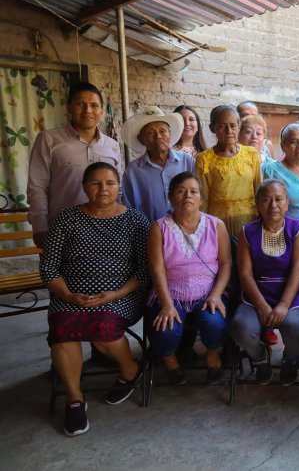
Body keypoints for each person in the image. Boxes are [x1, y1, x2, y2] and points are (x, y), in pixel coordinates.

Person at [40, 162, 149, 436]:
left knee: (103, 327)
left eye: (110, 183)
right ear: (84, 187)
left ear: (118, 187)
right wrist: (67, 294)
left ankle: (130, 370)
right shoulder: (66, 219)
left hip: (120, 294)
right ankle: (75, 399)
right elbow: (49, 267)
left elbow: (144, 270)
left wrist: (115, 294)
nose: (103, 189)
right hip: (70, 293)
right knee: (64, 329)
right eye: (96, 183)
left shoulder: (136, 220)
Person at [146, 172, 231, 386]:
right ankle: (170, 361)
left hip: (208, 292)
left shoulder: (216, 225)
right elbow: (157, 269)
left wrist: (216, 295)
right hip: (171, 293)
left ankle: (212, 356)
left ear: (201, 198)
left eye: (193, 191)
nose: (187, 196)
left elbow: (225, 264)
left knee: (214, 321)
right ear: (171, 198)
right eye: (181, 191)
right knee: (166, 328)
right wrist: (166, 305)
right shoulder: (159, 228)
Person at [230, 179, 299, 385]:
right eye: (266, 200)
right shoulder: (247, 232)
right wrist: (261, 306)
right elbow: (245, 274)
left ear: (287, 203)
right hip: (258, 293)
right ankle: (260, 359)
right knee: (240, 327)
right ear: (257, 205)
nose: (273, 205)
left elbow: (298, 269)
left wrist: (284, 305)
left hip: (293, 292)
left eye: (278, 199)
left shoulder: (298, 228)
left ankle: (290, 359)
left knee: (296, 326)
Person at [28, 82, 123, 248]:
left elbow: (119, 189)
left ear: (101, 110)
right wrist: (39, 227)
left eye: (94, 105)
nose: (88, 110)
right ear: (69, 108)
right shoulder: (49, 139)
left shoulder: (112, 145)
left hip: (106, 231)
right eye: (80, 104)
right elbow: (37, 186)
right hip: (62, 233)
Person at [195, 105, 262, 237]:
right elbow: (202, 198)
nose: (229, 131)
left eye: (233, 125)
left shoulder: (251, 154)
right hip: (218, 222)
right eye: (222, 126)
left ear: (239, 126)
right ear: (212, 128)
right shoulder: (204, 159)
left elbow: (259, 189)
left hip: (250, 220)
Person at [121, 106, 194, 222]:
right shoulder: (133, 171)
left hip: (185, 230)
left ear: (170, 135)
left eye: (163, 131)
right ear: (141, 139)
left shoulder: (187, 162)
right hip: (148, 234)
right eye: (150, 133)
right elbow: (129, 208)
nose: (158, 136)